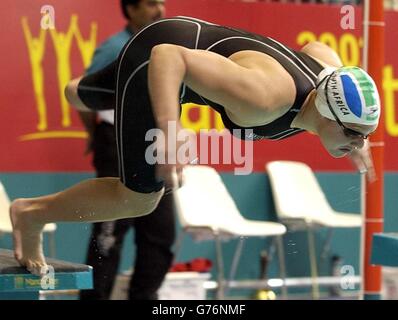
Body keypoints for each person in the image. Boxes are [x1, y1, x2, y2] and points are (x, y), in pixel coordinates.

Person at [10, 16, 380, 275]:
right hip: (160, 61)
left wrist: (355, 137)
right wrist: (169, 132)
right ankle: (31, 214)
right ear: (329, 114)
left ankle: (83, 92)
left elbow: (319, 50)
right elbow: (169, 57)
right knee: (139, 198)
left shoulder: (329, 73)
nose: (360, 143)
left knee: (82, 94)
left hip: (183, 42)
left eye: (364, 135)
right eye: (353, 133)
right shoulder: (266, 97)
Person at [78, 0, 175, 300]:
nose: (159, 9)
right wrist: (96, 131)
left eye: (161, 1)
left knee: (160, 235)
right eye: (150, 3)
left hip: (155, 146)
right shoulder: (114, 48)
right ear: (130, 9)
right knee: (109, 237)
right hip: (117, 145)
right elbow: (82, 93)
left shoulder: (168, 49)